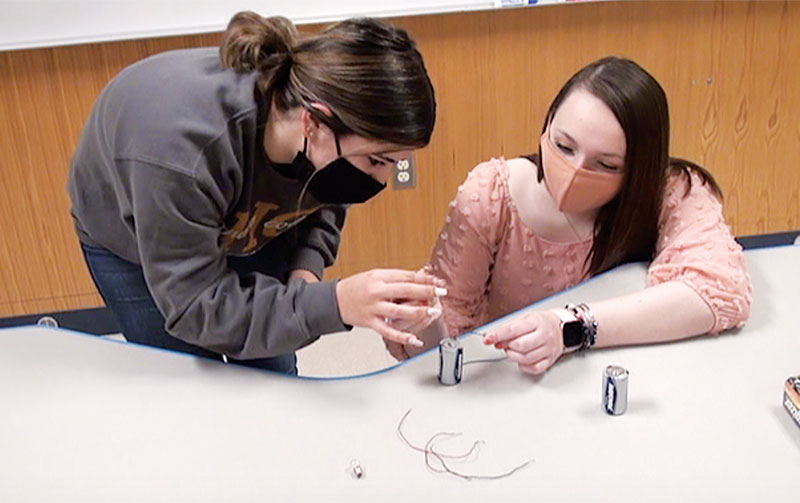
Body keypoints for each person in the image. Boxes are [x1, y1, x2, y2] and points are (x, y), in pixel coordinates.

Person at [68, 11, 446, 374]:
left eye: (394, 163)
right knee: (190, 380)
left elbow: (325, 199)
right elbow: (196, 310)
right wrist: (336, 303)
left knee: (273, 367)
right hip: (132, 234)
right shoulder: (184, 155)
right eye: (378, 161)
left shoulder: (320, 133)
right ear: (312, 121)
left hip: (240, 209)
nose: (381, 181)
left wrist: (307, 270)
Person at [386, 57, 752, 375]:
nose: (575, 171)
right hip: (513, 383)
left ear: (639, 170)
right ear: (546, 125)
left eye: (605, 164)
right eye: (563, 146)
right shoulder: (491, 195)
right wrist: (423, 324)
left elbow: (719, 292)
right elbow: (443, 341)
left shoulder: (672, 190)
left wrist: (569, 327)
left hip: (625, 377)